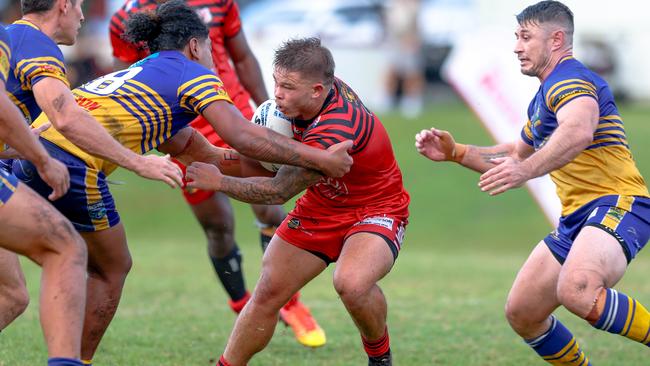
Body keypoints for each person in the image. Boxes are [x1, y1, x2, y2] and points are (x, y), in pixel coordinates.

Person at [13, 2, 352, 363]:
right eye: (208, 47)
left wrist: (278, 170)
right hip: (72, 163)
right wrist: (319, 158)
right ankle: (74, 361)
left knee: (23, 285)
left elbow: (205, 153)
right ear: (195, 46)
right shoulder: (195, 75)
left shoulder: (147, 74)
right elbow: (241, 136)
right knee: (111, 267)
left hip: (30, 153)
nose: (212, 56)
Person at [416, 1, 649, 363]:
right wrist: (456, 152)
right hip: (578, 217)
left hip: (618, 203)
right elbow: (514, 155)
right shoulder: (544, 96)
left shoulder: (572, 79)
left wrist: (525, 171)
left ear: (556, 39)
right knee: (523, 312)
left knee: (579, 289)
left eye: (525, 37)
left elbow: (579, 130)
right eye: (516, 37)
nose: (516, 47)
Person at [108, 0, 325, 347]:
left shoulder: (219, 2)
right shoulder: (125, 17)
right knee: (218, 228)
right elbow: (125, 77)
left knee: (270, 205)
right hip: (183, 133)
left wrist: (271, 112)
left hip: (233, 116)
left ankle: (291, 303)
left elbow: (242, 57)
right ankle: (243, 308)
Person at [185, 37, 410, 366]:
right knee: (267, 293)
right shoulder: (304, 99)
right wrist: (215, 154)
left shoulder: (336, 129)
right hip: (322, 204)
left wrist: (218, 179)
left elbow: (278, 191)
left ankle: (380, 358)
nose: (277, 94)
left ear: (317, 90)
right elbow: (268, 161)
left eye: (288, 87)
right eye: (277, 82)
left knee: (351, 283)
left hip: (376, 208)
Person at [0, 24, 88, 366]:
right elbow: (65, 117)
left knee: (12, 294)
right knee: (66, 246)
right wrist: (42, 159)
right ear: (63, 5)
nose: (82, 15)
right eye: (79, 4)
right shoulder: (26, 41)